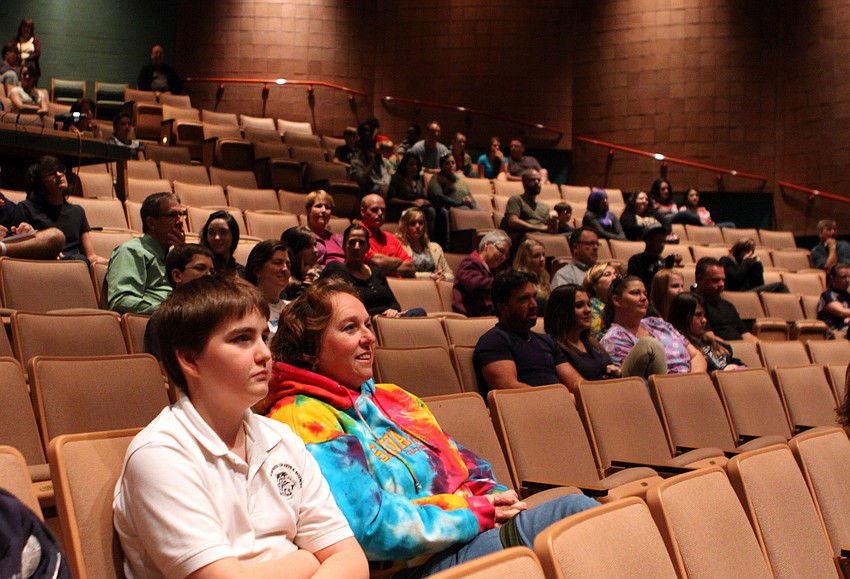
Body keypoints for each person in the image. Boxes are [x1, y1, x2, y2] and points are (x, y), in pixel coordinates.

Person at [262, 279, 600, 577]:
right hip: (411, 567)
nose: (368, 336)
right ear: (310, 350)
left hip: (466, 538)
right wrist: (475, 513)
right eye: (350, 328)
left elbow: (468, 464)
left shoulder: (393, 397)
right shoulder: (300, 418)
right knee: (573, 512)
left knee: (585, 523)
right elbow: (370, 527)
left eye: (367, 324)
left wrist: (494, 501)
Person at [115, 276, 368, 579]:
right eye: (242, 339)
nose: (265, 354)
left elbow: (351, 559)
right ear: (190, 360)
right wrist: (307, 561)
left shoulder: (281, 437)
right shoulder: (161, 455)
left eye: (264, 336)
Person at [474, 270, 571, 394]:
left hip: (562, 405)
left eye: (534, 297)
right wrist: (560, 399)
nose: (534, 305)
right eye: (524, 299)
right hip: (527, 409)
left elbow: (573, 382)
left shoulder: (547, 340)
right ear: (503, 308)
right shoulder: (494, 341)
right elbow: (509, 388)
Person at [601, 275, 706, 375]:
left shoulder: (657, 323)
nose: (643, 298)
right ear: (616, 300)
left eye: (645, 293)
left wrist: (693, 380)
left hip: (693, 382)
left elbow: (696, 355)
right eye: (636, 293)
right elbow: (634, 382)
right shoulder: (614, 339)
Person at [106, 192, 186, 314]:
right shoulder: (132, 251)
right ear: (151, 223)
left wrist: (183, 254)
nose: (180, 221)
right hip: (156, 324)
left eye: (181, 215)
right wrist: (171, 311)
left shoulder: (175, 255)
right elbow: (121, 301)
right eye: (172, 215)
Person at [321, 224, 423, 318]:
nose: (357, 247)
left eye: (361, 243)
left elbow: (394, 304)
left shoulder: (377, 272)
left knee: (419, 312)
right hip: (364, 323)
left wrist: (392, 310)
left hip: (388, 319)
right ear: (343, 246)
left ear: (367, 248)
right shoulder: (336, 269)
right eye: (352, 242)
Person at [18, 156, 106, 264]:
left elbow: (91, 256)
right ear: (39, 183)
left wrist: (114, 262)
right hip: (45, 266)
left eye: (60, 170)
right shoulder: (26, 208)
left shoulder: (77, 212)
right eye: (51, 173)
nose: (59, 175)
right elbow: (22, 249)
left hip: (76, 266)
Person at [143, 243, 215, 359]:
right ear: (177, 275)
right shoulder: (163, 319)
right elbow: (163, 370)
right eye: (200, 268)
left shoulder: (218, 315)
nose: (209, 275)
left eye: (212, 271)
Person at [544, 284, 621, 389]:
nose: (588, 310)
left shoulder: (590, 342)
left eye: (588, 304)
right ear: (562, 311)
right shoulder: (554, 347)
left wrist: (614, 372)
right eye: (579, 305)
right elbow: (579, 388)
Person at [668, 292, 746, 372]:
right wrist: (720, 374)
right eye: (698, 315)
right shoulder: (681, 349)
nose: (704, 320)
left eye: (704, 315)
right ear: (682, 317)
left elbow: (733, 361)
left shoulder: (711, 342)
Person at [693, 257, 758, 344]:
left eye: (723, 280)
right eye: (715, 280)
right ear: (700, 279)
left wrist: (761, 347)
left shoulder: (728, 306)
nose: (721, 284)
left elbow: (746, 334)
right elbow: (709, 337)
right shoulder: (694, 306)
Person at [452, 230, 511, 317]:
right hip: (471, 316)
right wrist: (502, 283)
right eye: (501, 251)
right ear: (487, 244)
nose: (503, 258)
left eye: (506, 255)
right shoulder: (469, 262)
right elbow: (473, 283)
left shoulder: (492, 271)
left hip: (489, 315)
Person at [359, 194, 415, 278]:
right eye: (374, 210)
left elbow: (410, 267)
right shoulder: (356, 237)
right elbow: (379, 262)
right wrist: (399, 261)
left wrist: (384, 268)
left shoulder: (391, 237)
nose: (380, 213)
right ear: (363, 212)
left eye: (383, 210)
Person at [427, 153, 476, 248]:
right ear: (441, 166)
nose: (451, 165)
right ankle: (447, 248)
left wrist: (469, 201)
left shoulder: (461, 182)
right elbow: (437, 196)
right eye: (447, 163)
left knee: (482, 213)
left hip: (467, 208)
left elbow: (473, 201)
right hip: (450, 209)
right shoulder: (436, 179)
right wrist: (459, 203)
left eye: (453, 163)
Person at [245, 239, 292, 339]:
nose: (285, 269)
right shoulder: (244, 308)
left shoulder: (293, 308)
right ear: (257, 270)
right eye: (278, 262)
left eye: (288, 265)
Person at [0, 190, 64, 260]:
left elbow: (16, 227)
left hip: (8, 247)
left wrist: (26, 233)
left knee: (53, 237)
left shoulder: (3, 202)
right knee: (56, 236)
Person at [396, 207, 453, 281]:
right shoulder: (400, 248)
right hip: (412, 287)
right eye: (413, 223)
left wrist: (443, 276)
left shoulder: (435, 247)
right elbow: (403, 273)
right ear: (405, 227)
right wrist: (429, 276)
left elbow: (450, 275)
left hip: (436, 286)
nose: (417, 226)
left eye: (420, 223)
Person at [501, 170, 557, 242]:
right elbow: (513, 222)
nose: (537, 182)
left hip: (544, 237)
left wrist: (555, 222)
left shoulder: (544, 206)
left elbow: (551, 229)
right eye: (532, 180)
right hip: (524, 238)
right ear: (524, 183)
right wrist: (538, 228)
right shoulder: (517, 199)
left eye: (539, 180)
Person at [386, 152, 435, 233]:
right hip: (404, 209)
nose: (414, 167)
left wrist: (424, 201)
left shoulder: (418, 180)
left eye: (416, 165)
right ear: (404, 165)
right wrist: (411, 203)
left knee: (441, 211)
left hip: (420, 208)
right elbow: (391, 199)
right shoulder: (397, 179)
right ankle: (427, 240)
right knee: (430, 211)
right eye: (411, 164)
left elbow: (424, 197)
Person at [721, 238, 788, 293]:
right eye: (747, 250)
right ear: (739, 250)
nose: (750, 253)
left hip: (750, 293)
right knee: (780, 286)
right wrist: (746, 261)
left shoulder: (749, 264)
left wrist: (757, 266)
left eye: (752, 251)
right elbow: (735, 280)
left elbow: (759, 285)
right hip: (736, 293)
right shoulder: (726, 260)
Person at [627, 225, 682, 290]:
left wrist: (668, 267)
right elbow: (639, 286)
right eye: (659, 241)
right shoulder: (636, 260)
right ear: (648, 241)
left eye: (664, 242)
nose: (662, 245)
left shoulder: (663, 261)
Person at [348, 123, 392, 195]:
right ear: (364, 150)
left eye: (373, 150)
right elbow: (362, 179)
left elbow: (389, 175)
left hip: (384, 186)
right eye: (370, 150)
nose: (372, 153)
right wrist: (372, 163)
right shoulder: (356, 163)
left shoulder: (383, 161)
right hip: (368, 189)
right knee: (377, 188)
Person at [199, 209, 245, 277]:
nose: (216, 238)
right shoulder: (201, 270)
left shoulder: (243, 272)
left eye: (223, 232)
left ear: (233, 235)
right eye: (211, 233)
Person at [305, 190, 345, 266]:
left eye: (327, 207)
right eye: (318, 206)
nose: (324, 210)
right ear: (308, 210)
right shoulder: (302, 237)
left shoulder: (339, 239)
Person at [582, 261, 621, 339]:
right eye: (607, 274)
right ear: (594, 285)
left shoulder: (619, 303)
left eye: (616, 274)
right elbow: (595, 338)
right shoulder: (593, 306)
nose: (614, 277)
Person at [282, 226, 322, 298]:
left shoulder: (320, 274)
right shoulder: (283, 280)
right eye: (308, 247)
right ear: (294, 252)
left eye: (315, 245)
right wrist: (307, 284)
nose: (315, 250)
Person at [512, 238, 551, 309]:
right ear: (525, 259)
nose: (542, 259)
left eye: (543, 255)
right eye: (536, 256)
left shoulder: (544, 276)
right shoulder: (519, 280)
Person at [817, 263, 850, 337]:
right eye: (843, 277)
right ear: (832, 278)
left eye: (849, 277)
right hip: (833, 331)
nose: (848, 280)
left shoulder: (847, 295)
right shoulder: (827, 295)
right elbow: (841, 312)